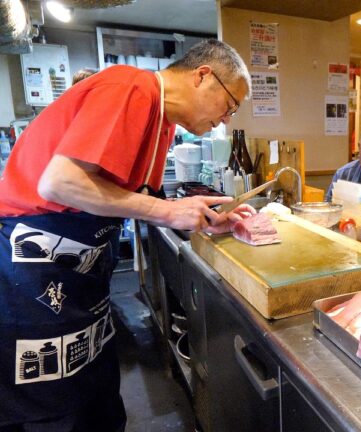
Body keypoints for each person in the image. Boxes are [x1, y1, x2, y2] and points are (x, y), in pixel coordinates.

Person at [0, 39, 255, 430]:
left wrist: (204, 218)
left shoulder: (163, 123)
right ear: (203, 76)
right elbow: (60, 183)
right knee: (53, 407)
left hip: (82, 275)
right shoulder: (130, 86)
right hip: (32, 268)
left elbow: (138, 199)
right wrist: (168, 211)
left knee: (96, 396)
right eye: (230, 105)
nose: (225, 120)